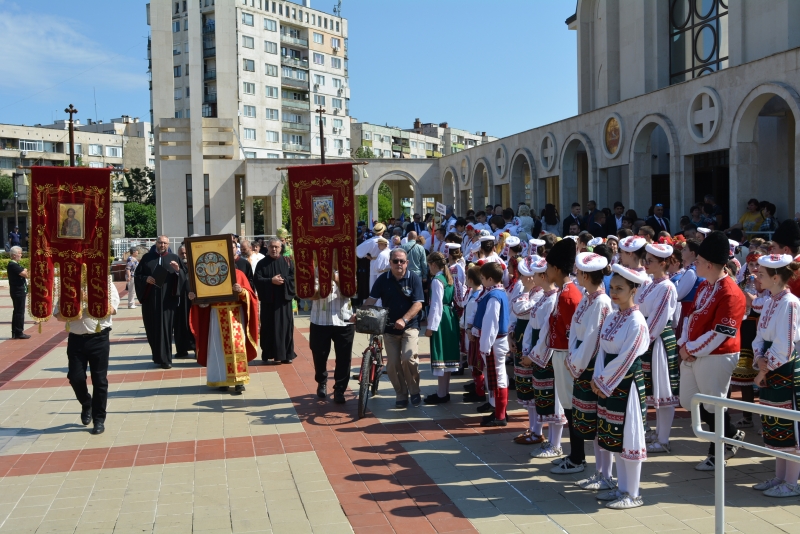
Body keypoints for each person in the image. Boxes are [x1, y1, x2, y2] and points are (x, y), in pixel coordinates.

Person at [678, 231, 747, 471]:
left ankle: (718, 452)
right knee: (688, 400)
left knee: (713, 404)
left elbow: (720, 334)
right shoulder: (705, 286)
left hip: (718, 354)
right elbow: (690, 317)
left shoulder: (730, 292)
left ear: (709, 264)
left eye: (697, 261)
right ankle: (730, 434)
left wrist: (690, 348)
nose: (693, 263)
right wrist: (684, 345)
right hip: (696, 352)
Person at [591, 264, 650, 509]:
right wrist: (597, 378)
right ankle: (621, 488)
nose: (614, 293)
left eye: (620, 289)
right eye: (612, 288)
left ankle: (633, 493)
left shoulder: (637, 321)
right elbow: (602, 350)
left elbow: (628, 356)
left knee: (630, 437)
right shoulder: (613, 317)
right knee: (614, 435)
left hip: (627, 385)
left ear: (633, 290)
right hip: (608, 383)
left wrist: (603, 381)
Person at [555, 248, 613, 479]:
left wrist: (575, 364)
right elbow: (576, 334)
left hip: (588, 366)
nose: (576, 275)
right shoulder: (588, 299)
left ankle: (593, 467)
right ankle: (578, 457)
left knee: (593, 418)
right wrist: (573, 358)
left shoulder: (600, 302)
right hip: (577, 362)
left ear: (587, 276)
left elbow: (591, 338)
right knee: (577, 413)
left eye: (579, 272)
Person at [751, 254, 800, 497]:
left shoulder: (790, 303)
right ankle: (780, 477)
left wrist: (763, 368)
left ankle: (791, 482)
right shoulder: (769, 301)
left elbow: (786, 345)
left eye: (761, 274)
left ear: (776, 277)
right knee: (775, 423)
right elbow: (760, 336)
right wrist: (759, 356)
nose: (757, 277)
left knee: (789, 425)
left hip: (786, 370)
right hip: (771, 366)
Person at [529, 240, 582, 459]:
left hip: (566, 357)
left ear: (557, 269)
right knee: (566, 406)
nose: (546, 271)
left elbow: (573, 335)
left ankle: (576, 456)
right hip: (559, 355)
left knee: (569, 408)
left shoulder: (569, 296)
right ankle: (573, 454)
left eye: (549, 267)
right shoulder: (563, 292)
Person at [360, 248, 424, 408]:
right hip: (389, 328)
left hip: (409, 326)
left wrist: (404, 319)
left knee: (408, 358)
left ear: (407, 263)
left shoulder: (413, 278)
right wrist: (359, 314)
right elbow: (371, 299)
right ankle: (401, 394)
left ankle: (414, 390)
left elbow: (418, 304)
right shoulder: (383, 279)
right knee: (393, 363)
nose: (399, 264)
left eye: (402, 261)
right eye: (395, 261)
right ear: (390, 262)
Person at [56, 276, 120, 435]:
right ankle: (86, 403)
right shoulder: (69, 285)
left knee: (99, 380)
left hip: (99, 338)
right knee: (75, 377)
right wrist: (69, 315)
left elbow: (112, 309)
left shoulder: (105, 283)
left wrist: (87, 298)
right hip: (76, 339)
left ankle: (99, 419)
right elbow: (57, 314)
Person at [189, 266, 258, 395]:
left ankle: (239, 381)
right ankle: (222, 380)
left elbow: (251, 296)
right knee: (218, 347)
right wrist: (195, 298)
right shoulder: (209, 274)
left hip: (235, 314)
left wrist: (242, 291)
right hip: (216, 315)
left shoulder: (238, 273)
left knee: (237, 346)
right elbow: (204, 300)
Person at [639, 243, 679, 453]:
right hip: (646, 339)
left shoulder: (667, 287)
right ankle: (656, 433)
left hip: (658, 340)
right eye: (646, 260)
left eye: (650, 261)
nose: (646, 264)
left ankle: (664, 439)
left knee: (663, 389)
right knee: (650, 389)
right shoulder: (648, 283)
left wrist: (642, 340)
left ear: (663, 263)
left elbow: (659, 319)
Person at [134, 236, 185, 369]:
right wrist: (146, 279)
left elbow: (184, 275)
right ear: (156, 243)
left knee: (166, 329)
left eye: (164, 243)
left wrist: (178, 271)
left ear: (168, 244)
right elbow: (137, 275)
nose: (162, 245)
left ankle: (167, 359)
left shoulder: (174, 257)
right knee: (153, 329)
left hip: (168, 301)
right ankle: (157, 356)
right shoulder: (147, 258)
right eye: (160, 242)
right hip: (151, 301)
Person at [472, 262, 512, 426]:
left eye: (482, 278)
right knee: (495, 377)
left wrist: (485, 347)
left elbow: (491, 323)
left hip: (495, 343)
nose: (481, 281)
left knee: (498, 378)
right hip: (496, 342)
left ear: (489, 279)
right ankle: (498, 411)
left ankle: (500, 416)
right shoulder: (497, 293)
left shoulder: (494, 296)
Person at [309, 270, 354, 404]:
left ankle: (339, 389)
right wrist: (322, 287)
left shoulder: (348, 266)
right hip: (320, 319)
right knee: (319, 354)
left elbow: (352, 292)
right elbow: (311, 295)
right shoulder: (315, 270)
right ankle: (322, 381)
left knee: (344, 357)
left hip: (344, 318)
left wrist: (336, 278)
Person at [424, 252, 461, 404]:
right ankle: (443, 392)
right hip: (449, 316)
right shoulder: (448, 277)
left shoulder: (437, 280)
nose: (429, 269)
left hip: (442, 319)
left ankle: (441, 393)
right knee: (447, 356)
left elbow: (436, 306)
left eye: (429, 266)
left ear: (433, 264)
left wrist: (430, 327)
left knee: (440, 354)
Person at [253, 237, 296, 364]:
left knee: (285, 328)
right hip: (268, 303)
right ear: (267, 248)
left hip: (283, 302)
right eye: (271, 247)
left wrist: (283, 279)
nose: (274, 249)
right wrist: (271, 281)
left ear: (281, 248)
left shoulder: (288, 262)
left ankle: (286, 354)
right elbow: (257, 280)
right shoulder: (262, 263)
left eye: (276, 247)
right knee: (268, 328)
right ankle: (268, 353)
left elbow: (294, 278)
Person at [174, 245, 195, 359]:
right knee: (180, 326)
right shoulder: (174, 267)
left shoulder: (196, 266)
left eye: (186, 253)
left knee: (194, 325)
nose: (184, 256)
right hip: (180, 303)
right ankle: (181, 350)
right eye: (182, 253)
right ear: (178, 254)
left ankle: (197, 349)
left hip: (194, 303)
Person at [7, 246, 29, 340]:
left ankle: (16, 331)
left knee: (18, 311)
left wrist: (25, 271)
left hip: (19, 290)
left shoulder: (16, 264)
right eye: (20, 253)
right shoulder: (13, 265)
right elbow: (25, 274)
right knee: (19, 312)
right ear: (14, 255)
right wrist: (25, 271)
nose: (21, 255)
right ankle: (18, 332)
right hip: (17, 291)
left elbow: (25, 271)